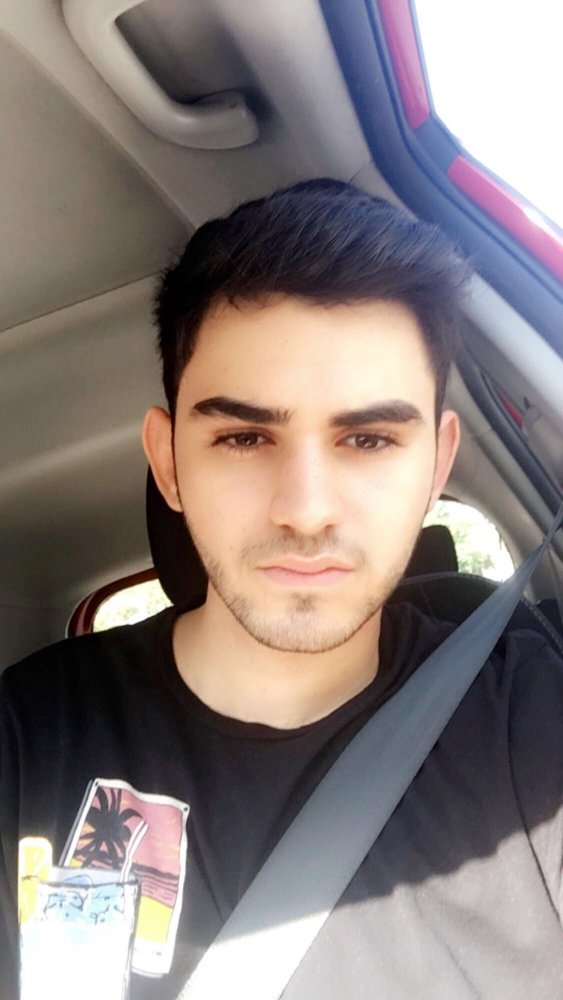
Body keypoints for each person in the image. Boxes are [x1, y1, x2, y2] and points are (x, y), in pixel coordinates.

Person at [1, 180, 563, 1000]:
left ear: (436, 466)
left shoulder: (536, 725)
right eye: (242, 437)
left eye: (368, 439)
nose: (304, 509)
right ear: (168, 464)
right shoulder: (22, 739)